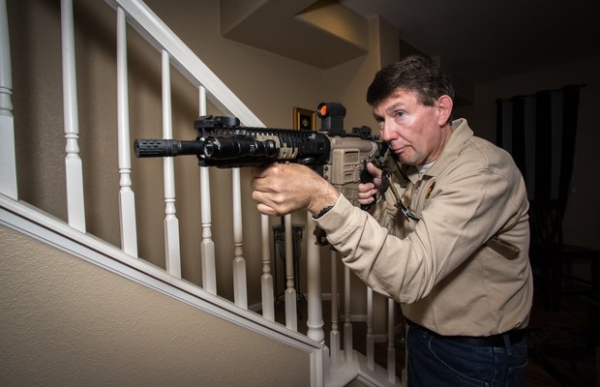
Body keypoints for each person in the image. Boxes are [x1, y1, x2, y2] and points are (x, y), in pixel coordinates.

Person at [251, 55, 533, 386]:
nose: (387, 133)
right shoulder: (409, 164)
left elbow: (410, 276)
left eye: (399, 114)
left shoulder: (482, 172)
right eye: (381, 119)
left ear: (442, 110)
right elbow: (396, 241)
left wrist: (322, 199)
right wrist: (369, 206)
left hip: (476, 355)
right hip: (423, 335)